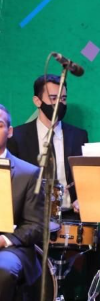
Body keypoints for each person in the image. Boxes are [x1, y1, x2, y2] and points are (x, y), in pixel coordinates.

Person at [8, 74, 89, 215]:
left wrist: (83, 199)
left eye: (63, 99)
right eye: (53, 98)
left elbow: (87, 178)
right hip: (31, 219)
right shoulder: (17, 137)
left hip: (69, 217)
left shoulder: (79, 136)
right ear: (37, 101)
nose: (59, 104)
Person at [0, 104, 44, 301]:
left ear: (9, 132)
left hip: (10, 247)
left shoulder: (28, 173)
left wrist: (4, 240)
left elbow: (36, 225)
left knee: (3, 269)